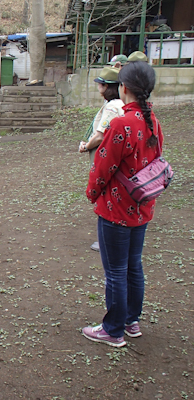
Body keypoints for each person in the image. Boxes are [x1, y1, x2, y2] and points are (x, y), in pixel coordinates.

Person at [82, 62, 162, 348]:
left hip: (116, 208)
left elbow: (103, 167)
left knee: (115, 271)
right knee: (133, 266)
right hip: (142, 206)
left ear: (124, 88)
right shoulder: (152, 119)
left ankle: (112, 329)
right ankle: (131, 321)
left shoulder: (121, 123)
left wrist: (92, 193)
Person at [79, 67, 124, 252]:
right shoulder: (119, 105)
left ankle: (107, 240)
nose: (98, 87)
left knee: (106, 197)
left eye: (100, 84)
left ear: (106, 86)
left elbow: (99, 136)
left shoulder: (113, 107)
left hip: (106, 158)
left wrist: (85, 146)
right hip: (113, 158)